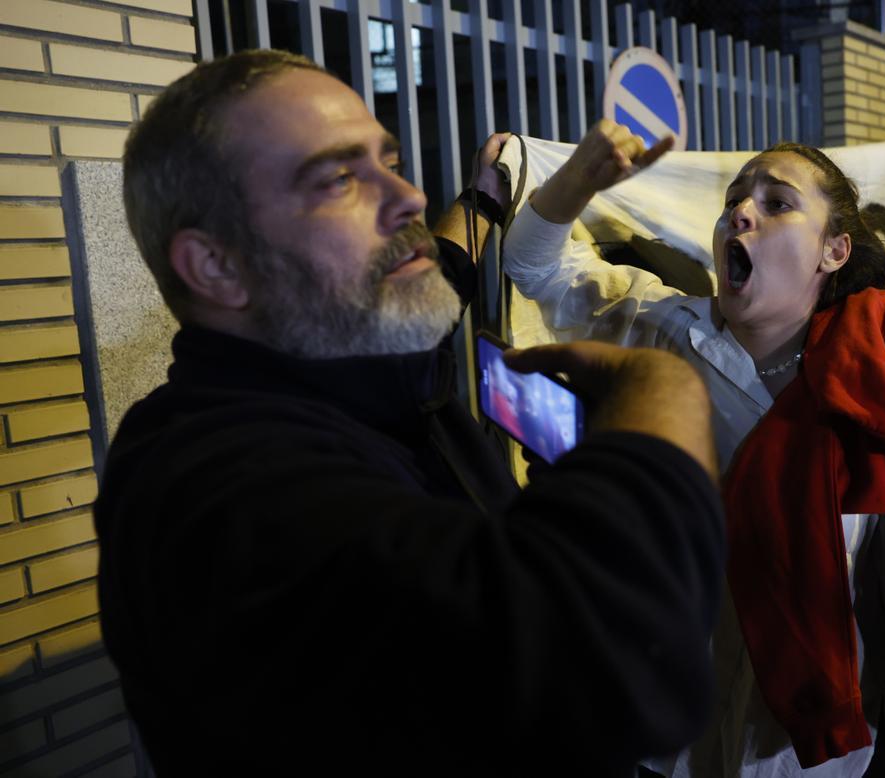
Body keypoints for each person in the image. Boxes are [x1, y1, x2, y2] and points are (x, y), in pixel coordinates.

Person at [95, 49, 726, 776]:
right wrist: (663, 393)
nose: (408, 195)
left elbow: (442, 267)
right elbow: (620, 670)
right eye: (338, 178)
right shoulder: (217, 490)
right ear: (216, 266)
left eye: (388, 159)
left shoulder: (343, 355)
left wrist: (489, 198)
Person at [501, 121, 885, 777]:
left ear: (833, 251)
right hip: (657, 730)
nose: (740, 213)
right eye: (734, 200)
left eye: (777, 202)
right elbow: (533, 262)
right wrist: (576, 181)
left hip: (801, 752)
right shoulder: (657, 326)